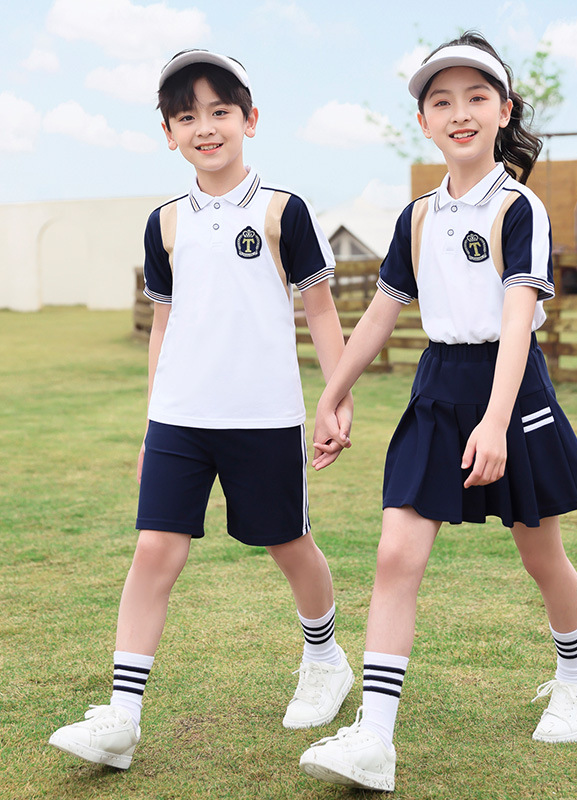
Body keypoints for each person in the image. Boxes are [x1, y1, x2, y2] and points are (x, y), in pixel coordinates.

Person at [298, 32, 577, 792]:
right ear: (424, 121)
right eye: (442, 101)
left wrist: (497, 420)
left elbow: (515, 318)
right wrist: (333, 393)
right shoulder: (417, 217)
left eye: (475, 98)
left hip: (512, 388)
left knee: (540, 554)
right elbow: (380, 314)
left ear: (503, 111)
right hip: (438, 385)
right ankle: (373, 736)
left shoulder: (518, 206)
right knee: (396, 553)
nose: (459, 113)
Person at [48, 49, 354, 770]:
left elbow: (319, 310)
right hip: (182, 419)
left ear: (250, 120)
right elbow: (164, 326)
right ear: (168, 133)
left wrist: (334, 401)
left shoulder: (284, 211)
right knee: (155, 549)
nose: (205, 128)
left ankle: (325, 659)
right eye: (187, 117)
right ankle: (122, 718)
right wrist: (152, 424)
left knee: (288, 546)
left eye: (219, 112)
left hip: (265, 420)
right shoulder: (164, 223)